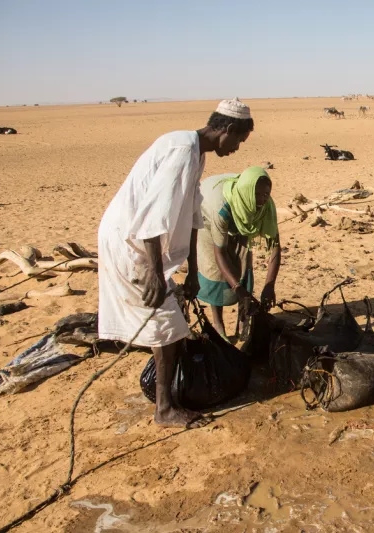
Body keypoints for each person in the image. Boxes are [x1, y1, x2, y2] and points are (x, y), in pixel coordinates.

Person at [97, 98, 254, 428]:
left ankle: (168, 402)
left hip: (143, 245)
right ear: (226, 130)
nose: (238, 148)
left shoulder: (195, 153)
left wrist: (193, 270)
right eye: (239, 140)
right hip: (131, 244)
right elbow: (153, 214)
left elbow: (194, 215)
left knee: (169, 324)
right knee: (166, 325)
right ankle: (165, 409)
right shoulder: (182, 149)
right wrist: (155, 273)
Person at [196, 166, 280, 338]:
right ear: (248, 193)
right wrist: (237, 288)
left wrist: (269, 285)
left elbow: (275, 247)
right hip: (206, 216)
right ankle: (219, 324)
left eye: (266, 194)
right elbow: (219, 252)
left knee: (243, 261)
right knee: (216, 271)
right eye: (256, 194)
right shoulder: (221, 209)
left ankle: (243, 320)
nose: (262, 199)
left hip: (244, 215)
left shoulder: (265, 206)